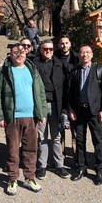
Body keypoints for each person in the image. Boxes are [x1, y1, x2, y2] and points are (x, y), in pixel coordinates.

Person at [0, 43, 48, 196]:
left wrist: (42, 113)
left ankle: (30, 177)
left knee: (31, 149)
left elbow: (40, 93)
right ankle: (12, 178)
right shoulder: (3, 71)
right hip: (13, 118)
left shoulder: (32, 70)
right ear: (10, 54)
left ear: (26, 53)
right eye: (15, 52)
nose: (19, 54)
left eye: (22, 51)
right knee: (12, 150)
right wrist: (0, 116)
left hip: (31, 117)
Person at [68, 45, 102, 186]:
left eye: (87, 52)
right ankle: (81, 167)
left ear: (91, 55)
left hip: (95, 111)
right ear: (79, 55)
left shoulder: (99, 70)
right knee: (79, 140)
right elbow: (70, 93)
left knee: (98, 140)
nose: (84, 55)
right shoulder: (75, 71)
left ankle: (99, 170)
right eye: (82, 52)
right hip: (79, 111)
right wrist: (71, 110)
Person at [33, 39, 70, 180]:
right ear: (41, 50)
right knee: (42, 136)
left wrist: (65, 108)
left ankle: (59, 165)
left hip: (56, 104)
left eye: (50, 49)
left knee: (56, 136)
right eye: (45, 49)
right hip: (41, 104)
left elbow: (66, 86)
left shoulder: (59, 64)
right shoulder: (34, 65)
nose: (48, 51)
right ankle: (42, 165)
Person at [54, 35, 80, 165]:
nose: (64, 45)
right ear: (59, 45)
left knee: (75, 131)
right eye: (62, 43)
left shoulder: (77, 58)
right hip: (59, 97)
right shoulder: (54, 58)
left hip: (74, 97)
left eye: (66, 43)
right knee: (60, 130)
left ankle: (76, 158)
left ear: (70, 44)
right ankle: (61, 157)